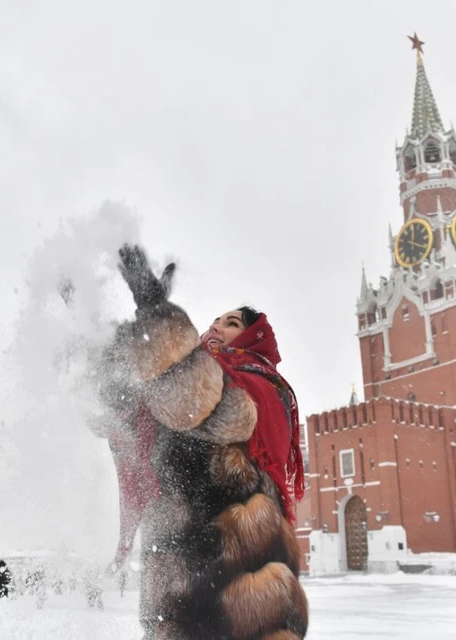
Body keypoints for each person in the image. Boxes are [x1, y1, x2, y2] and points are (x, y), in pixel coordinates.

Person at [97, 245, 308, 639]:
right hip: (180, 599)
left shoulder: (259, 387)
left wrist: (158, 315)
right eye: (213, 320)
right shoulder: (191, 381)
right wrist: (96, 338)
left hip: (239, 597)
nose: (215, 326)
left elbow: (208, 405)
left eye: (229, 323)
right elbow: (124, 411)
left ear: (253, 337)